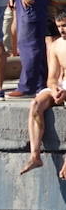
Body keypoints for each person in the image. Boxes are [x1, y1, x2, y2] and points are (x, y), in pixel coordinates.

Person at [20, 12, 66, 176]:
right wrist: (54, 89)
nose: (62, 30)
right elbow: (51, 78)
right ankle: (35, 156)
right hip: (61, 86)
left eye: (65, 26)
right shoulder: (55, 46)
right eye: (59, 26)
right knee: (35, 105)